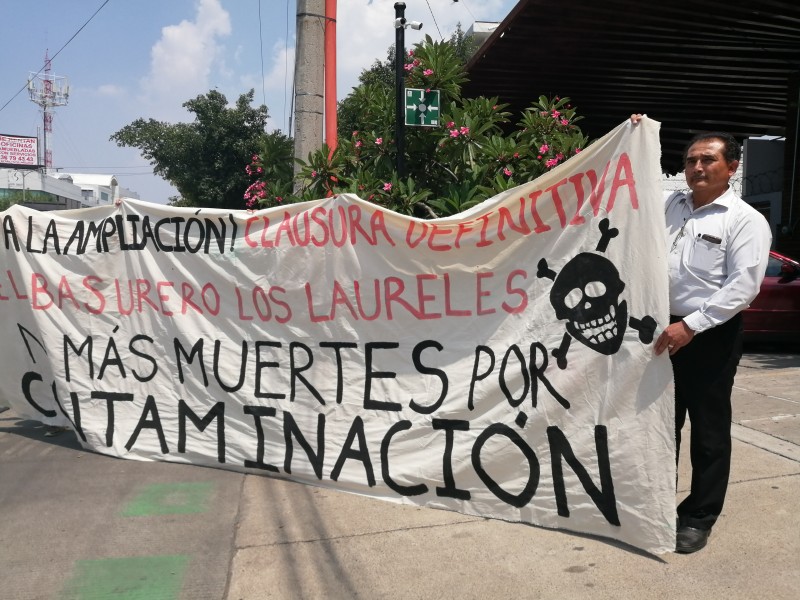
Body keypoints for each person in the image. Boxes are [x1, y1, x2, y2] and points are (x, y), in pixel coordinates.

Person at [632, 115, 772, 553]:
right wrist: (635, 136)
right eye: (691, 159)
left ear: (731, 166)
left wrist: (690, 325)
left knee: (708, 431)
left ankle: (698, 516)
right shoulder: (670, 206)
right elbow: (630, 204)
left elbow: (743, 287)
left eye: (708, 159)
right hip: (659, 329)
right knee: (657, 424)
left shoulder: (744, 220)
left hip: (708, 334)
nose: (696, 167)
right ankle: (654, 504)